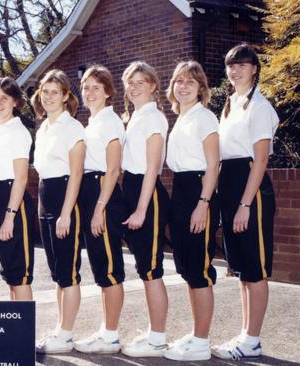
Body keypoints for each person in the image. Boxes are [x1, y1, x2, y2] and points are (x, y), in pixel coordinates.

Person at [212, 43, 278, 361]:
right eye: (230, 65)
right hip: (230, 183)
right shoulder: (230, 105)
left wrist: (245, 204)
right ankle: (245, 333)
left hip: (251, 189)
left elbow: (261, 159)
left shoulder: (259, 107)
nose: (235, 70)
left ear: (254, 68)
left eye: (242, 64)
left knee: (256, 269)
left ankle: (253, 340)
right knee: (241, 271)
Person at [163, 61, 219, 361]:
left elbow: (213, 165)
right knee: (186, 268)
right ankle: (197, 333)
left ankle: (202, 342)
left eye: (190, 82)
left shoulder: (204, 118)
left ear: (201, 89)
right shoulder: (181, 119)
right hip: (181, 190)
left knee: (200, 268)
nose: (183, 86)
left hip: (199, 191)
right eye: (179, 81)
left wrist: (203, 204)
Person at [119, 61, 170, 358]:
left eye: (141, 82)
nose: (134, 86)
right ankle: (154, 332)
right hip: (132, 190)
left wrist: (140, 210)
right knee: (144, 268)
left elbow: (153, 168)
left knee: (152, 270)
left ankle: (159, 338)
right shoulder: (135, 117)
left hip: (146, 195)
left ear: (153, 86)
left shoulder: (154, 118)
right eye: (130, 82)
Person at [32, 69, 86, 354]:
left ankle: (66, 334)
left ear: (66, 96)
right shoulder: (43, 128)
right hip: (45, 196)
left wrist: (66, 213)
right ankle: (59, 328)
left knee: (69, 271)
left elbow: (76, 174)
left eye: (55, 92)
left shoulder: (73, 128)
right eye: (45, 91)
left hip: (65, 198)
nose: (49, 97)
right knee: (57, 273)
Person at [73, 65, 126, 354]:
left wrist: (99, 209)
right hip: (90, 191)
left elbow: (114, 168)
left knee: (110, 267)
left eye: (96, 87)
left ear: (108, 92)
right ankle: (106, 331)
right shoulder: (92, 122)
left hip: (102, 193)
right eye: (85, 87)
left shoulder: (109, 121)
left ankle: (112, 334)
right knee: (100, 268)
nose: (90, 92)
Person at [0, 77, 35, 300]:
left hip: (15, 207)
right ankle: (16, 332)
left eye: (4, 98)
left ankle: (24, 335)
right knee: (10, 275)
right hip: (0, 203)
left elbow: (21, 177)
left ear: (15, 102)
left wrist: (9, 217)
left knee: (21, 274)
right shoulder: (0, 131)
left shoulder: (18, 131)